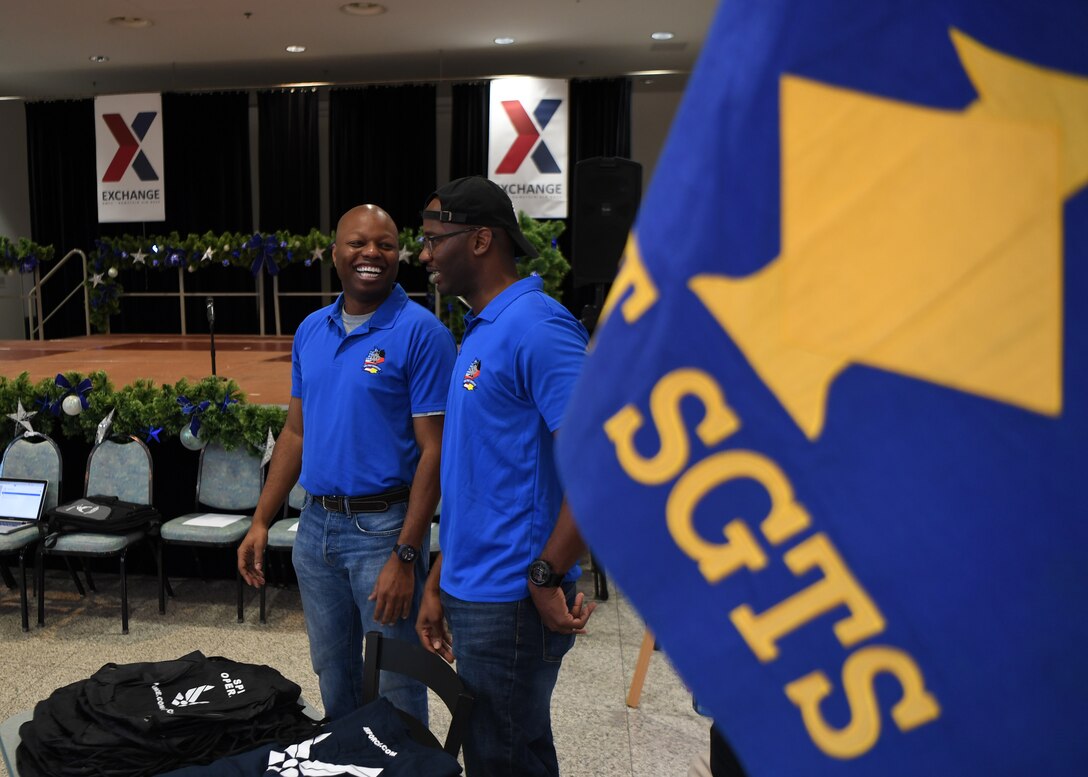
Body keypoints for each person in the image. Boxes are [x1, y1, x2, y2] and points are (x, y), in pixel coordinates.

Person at [238, 203, 456, 724]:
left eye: (384, 244)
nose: (371, 254)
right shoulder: (312, 329)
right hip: (315, 529)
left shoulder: (421, 333)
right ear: (335, 252)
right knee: (333, 672)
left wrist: (406, 556)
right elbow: (295, 432)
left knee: (398, 683)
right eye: (358, 243)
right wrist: (261, 519)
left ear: (398, 255)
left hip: (384, 532)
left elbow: (436, 452)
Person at [414, 176, 596, 777]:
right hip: (476, 589)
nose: (424, 254)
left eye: (435, 239)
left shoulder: (539, 327)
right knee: (511, 750)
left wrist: (547, 574)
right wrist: (441, 576)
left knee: (503, 758)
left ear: (483, 239)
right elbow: (479, 479)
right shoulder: (483, 329)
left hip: (514, 599)